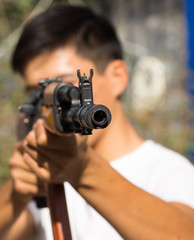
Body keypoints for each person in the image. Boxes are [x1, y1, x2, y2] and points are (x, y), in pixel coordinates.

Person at [0, 5, 194, 240]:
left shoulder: (169, 173)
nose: (48, 107)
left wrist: (83, 171)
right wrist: (18, 189)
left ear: (117, 77)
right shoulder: (41, 181)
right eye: (37, 93)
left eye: (64, 88)